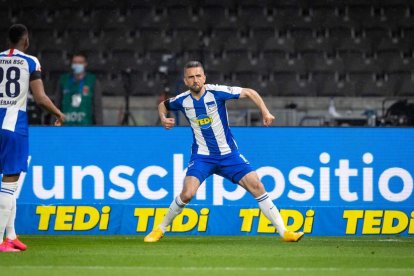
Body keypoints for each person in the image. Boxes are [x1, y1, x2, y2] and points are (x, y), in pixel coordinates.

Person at [144, 61, 304, 243]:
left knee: (257, 186)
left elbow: (250, 92)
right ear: (185, 81)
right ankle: (160, 229)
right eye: (191, 77)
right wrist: (163, 118)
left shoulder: (217, 92)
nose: (195, 80)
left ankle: (285, 232)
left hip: (228, 154)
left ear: (204, 77)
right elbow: (163, 105)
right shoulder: (182, 100)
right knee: (187, 193)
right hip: (202, 157)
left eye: (198, 76)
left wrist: (265, 112)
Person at [0, 24, 65, 252]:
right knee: (9, 182)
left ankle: (11, 235)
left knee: (10, 184)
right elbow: (40, 98)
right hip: (13, 125)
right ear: (25, 41)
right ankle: (0, 241)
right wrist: (58, 113)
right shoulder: (30, 61)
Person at [55, 52, 103, 125]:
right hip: (66, 125)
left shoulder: (92, 81)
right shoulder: (63, 80)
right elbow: (56, 105)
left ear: (85, 64)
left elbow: (97, 107)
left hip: (86, 125)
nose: (77, 65)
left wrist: (99, 127)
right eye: (75, 62)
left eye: (80, 63)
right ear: (71, 64)